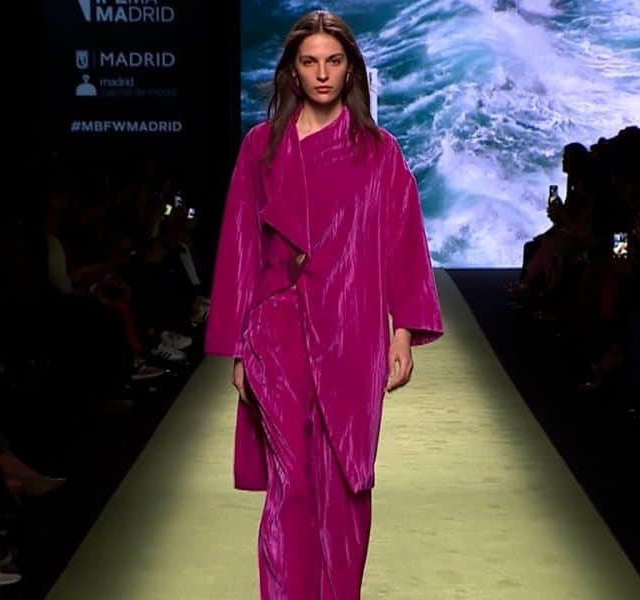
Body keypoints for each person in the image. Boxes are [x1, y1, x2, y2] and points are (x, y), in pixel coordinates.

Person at [204, 9, 444, 599]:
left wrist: (404, 332)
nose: (321, 73)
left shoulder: (379, 151)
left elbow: (402, 240)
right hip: (276, 329)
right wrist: (239, 348)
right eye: (309, 61)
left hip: (352, 331)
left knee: (346, 482)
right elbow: (240, 244)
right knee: (291, 484)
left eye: (333, 61)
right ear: (291, 71)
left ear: (350, 70)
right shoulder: (261, 148)